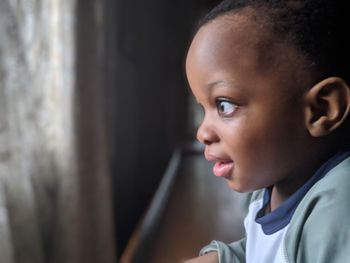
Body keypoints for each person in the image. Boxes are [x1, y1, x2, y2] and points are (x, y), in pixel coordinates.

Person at [184, 0, 350, 262]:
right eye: (203, 107)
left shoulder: (337, 210)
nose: (202, 133)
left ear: (321, 109)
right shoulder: (273, 182)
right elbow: (269, 252)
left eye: (224, 105)